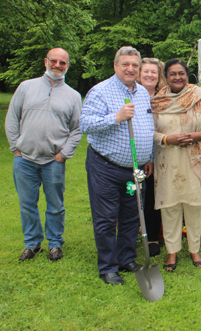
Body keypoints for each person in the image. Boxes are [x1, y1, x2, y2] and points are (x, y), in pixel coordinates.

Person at [80, 46, 155, 285]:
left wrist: (149, 155)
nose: (130, 69)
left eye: (134, 65)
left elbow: (147, 126)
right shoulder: (100, 91)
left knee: (132, 215)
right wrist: (116, 117)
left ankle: (126, 258)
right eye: (125, 64)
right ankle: (108, 267)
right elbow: (85, 124)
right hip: (106, 167)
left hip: (136, 168)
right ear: (115, 66)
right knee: (106, 217)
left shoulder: (142, 92)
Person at [5, 48, 82, 262]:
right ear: (45, 62)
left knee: (55, 204)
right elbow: (12, 119)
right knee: (27, 204)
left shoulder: (73, 96)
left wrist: (64, 154)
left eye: (62, 62)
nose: (57, 65)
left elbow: (77, 128)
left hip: (53, 161)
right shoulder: (26, 87)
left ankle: (55, 243)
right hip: (25, 160)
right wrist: (16, 148)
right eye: (54, 61)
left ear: (67, 65)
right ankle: (32, 243)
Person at [150, 59, 201, 271]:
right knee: (169, 206)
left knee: (194, 205)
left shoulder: (199, 97)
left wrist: (198, 135)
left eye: (181, 73)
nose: (177, 77)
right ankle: (172, 252)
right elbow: (148, 132)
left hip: (194, 160)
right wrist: (168, 139)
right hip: (167, 160)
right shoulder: (157, 101)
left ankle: (194, 249)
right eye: (172, 74)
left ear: (187, 75)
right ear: (166, 77)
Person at [137, 57, 167, 257]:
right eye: (145, 71)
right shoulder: (134, 96)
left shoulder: (163, 98)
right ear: (139, 75)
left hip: (161, 153)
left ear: (159, 77)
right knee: (134, 193)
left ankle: (153, 237)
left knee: (154, 196)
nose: (149, 75)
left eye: (153, 72)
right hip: (137, 154)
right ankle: (132, 233)